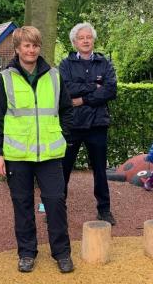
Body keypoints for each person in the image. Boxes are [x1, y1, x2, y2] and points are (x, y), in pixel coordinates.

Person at [0, 26, 74, 273]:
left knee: (56, 202)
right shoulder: (5, 79)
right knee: (22, 204)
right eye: (27, 45)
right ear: (17, 49)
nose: (32, 49)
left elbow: (67, 110)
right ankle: (26, 252)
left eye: (35, 45)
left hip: (49, 155)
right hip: (17, 156)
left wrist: (62, 136)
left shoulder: (54, 76)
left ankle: (62, 252)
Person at [59, 22, 117, 225]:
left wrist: (82, 99)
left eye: (88, 37)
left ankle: (104, 210)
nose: (85, 40)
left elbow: (111, 90)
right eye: (81, 38)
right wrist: (94, 87)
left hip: (97, 125)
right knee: (63, 169)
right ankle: (56, 211)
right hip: (72, 125)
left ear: (93, 40)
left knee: (100, 170)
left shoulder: (105, 63)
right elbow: (66, 89)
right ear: (74, 42)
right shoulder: (65, 65)